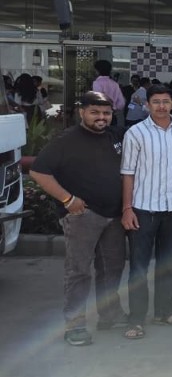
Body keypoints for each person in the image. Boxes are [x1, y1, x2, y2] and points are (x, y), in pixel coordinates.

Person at [29, 92, 128, 346]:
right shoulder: (66, 140)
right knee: (79, 271)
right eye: (95, 112)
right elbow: (38, 171)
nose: (101, 117)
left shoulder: (115, 135)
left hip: (114, 215)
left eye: (106, 113)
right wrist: (67, 199)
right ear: (81, 112)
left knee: (112, 268)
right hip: (83, 216)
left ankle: (110, 315)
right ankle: (75, 325)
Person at [119, 85, 172, 340]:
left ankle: (164, 311)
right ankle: (136, 319)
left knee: (168, 265)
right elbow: (127, 173)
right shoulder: (136, 133)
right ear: (147, 105)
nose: (161, 106)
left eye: (165, 101)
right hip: (143, 208)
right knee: (139, 267)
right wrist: (127, 208)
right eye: (156, 102)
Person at [92, 60, 126, 125]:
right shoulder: (115, 84)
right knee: (111, 131)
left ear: (98, 70)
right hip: (112, 115)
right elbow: (121, 103)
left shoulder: (97, 83)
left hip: (100, 116)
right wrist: (114, 109)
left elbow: (97, 100)